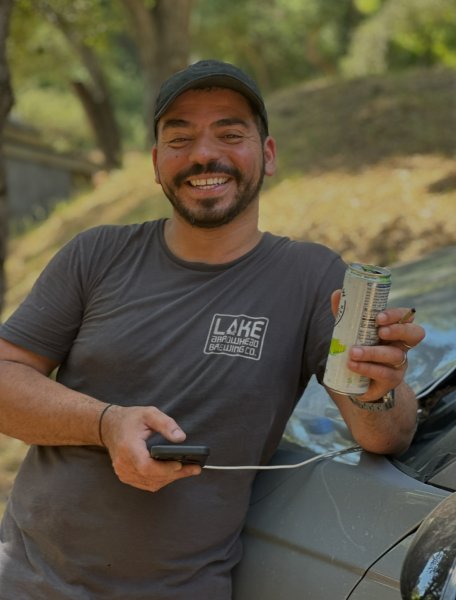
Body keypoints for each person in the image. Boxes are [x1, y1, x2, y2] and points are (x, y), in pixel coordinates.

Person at [0, 59, 424, 599]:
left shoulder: (311, 277)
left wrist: (380, 391)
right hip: (24, 579)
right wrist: (106, 424)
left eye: (230, 133)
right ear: (156, 163)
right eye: (180, 138)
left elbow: (385, 436)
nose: (204, 154)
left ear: (266, 155)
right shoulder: (95, 255)